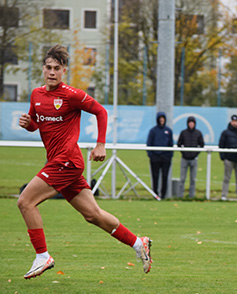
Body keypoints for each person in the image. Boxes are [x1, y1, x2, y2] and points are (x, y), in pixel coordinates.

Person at [17, 44, 151, 279]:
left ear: (64, 71)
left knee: (25, 202)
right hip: (61, 163)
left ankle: (42, 256)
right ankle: (138, 243)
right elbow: (37, 124)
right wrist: (28, 123)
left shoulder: (71, 95)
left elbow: (101, 111)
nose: (51, 72)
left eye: (56, 68)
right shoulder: (37, 95)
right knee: (93, 215)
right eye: (48, 67)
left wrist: (100, 144)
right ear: (43, 69)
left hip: (66, 161)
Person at [147, 112, 173, 199]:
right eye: (160, 118)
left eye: (163, 118)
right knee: (155, 176)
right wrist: (151, 155)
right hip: (155, 158)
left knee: (165, 176)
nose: (161, 120)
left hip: (165, 158)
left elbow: (171, 144)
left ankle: (163, 195)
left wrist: (169, 156)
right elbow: (149, 144)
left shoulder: (168, 131)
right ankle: (155, 195)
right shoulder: (153, 131)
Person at [177, 116, 204, 199]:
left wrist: (195, 154)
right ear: (187, 123)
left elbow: (202, 145)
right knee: (182, 178)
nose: (191, 124)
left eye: (192, 123)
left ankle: (191, 196)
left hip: (194, 159)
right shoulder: (183, 133)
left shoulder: (198, 133)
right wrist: (184, 153)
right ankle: (180, 195)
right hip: (184, 159)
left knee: (193, 179)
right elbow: (179, 144)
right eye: (190, 122)